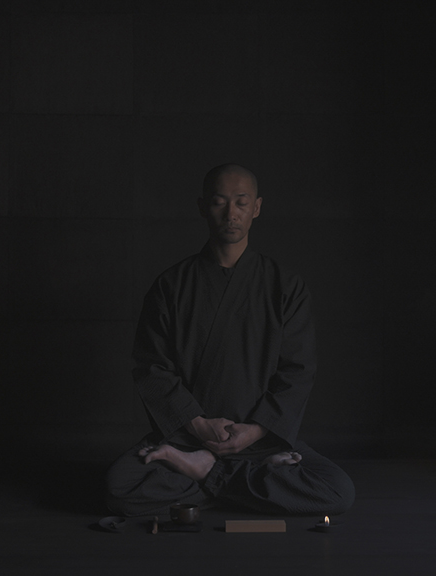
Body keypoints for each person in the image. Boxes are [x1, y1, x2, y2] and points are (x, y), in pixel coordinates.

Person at [105, 164, 355, 516]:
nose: (231, 213)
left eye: (241, 202)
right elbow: (152, 366)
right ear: (202, 206)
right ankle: (249, 481)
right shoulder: (171, 285)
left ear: (256, 208)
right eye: (220, 202)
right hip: (189, 437)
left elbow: (297, 370)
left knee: (336, 491)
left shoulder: (285, 286)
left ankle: (204, 472)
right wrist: (197, 424)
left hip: (260, 440)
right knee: (120, 487)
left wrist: (254, 432)